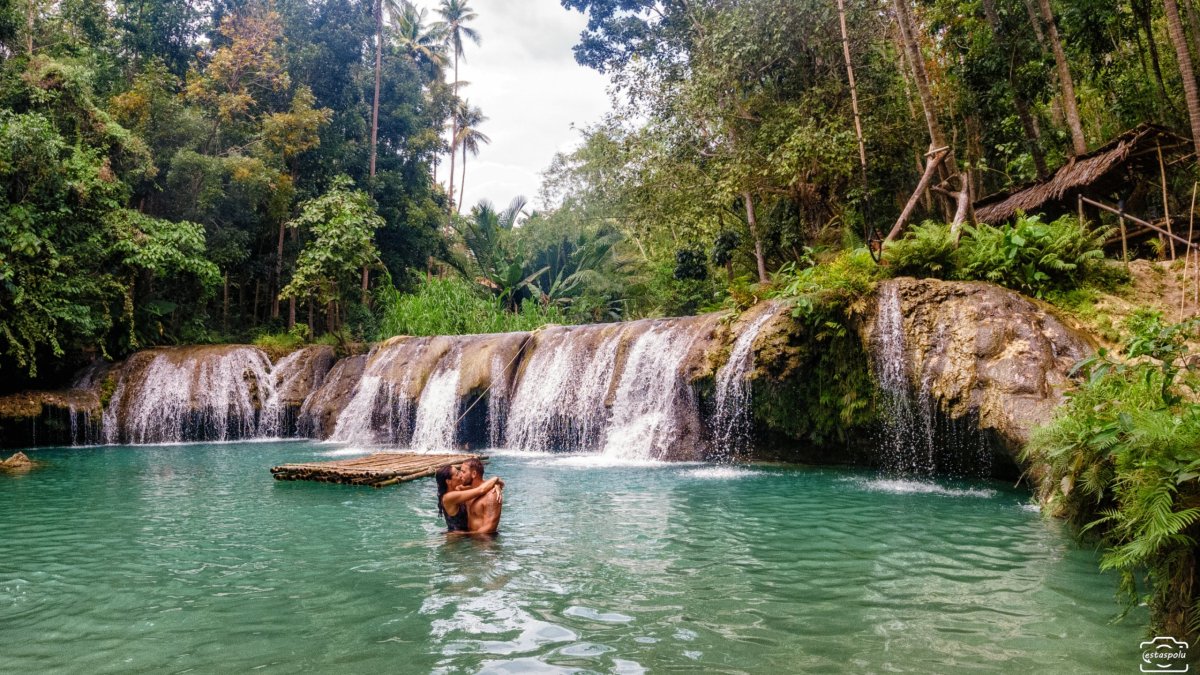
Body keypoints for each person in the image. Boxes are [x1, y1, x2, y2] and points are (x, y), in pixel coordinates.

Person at [435, 461, 503, 534]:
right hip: (456, 539)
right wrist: (495, 479)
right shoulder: (448, 497)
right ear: (448, 481)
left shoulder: (458, 489)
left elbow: (479, 485)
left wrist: (496, 485)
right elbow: (480, 490)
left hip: (469, 537)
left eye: (462, 472)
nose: (461, 475)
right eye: (457, 474)